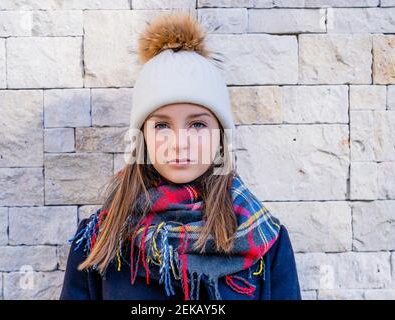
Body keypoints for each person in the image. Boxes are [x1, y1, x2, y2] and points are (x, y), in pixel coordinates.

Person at [60, 12, 301, 300]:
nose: (179, 143)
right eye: (162, 125)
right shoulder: (100, 238)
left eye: (198, 124)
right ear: (143, 137)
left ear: (220, 136)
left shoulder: (265, 240)